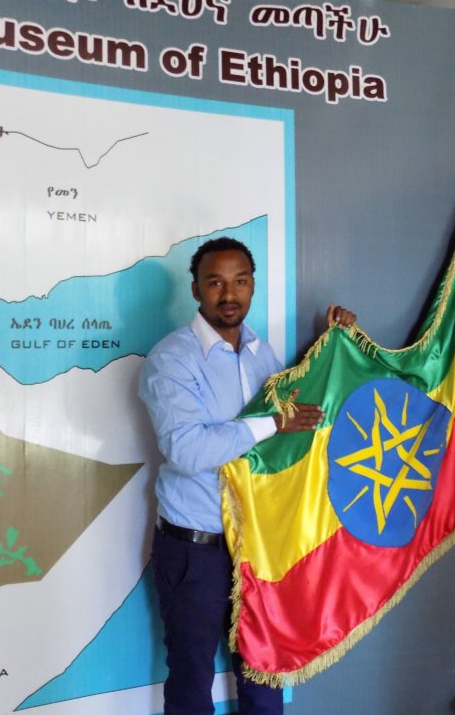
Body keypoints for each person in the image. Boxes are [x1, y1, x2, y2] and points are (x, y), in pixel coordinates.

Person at [139, 236, 355, 715]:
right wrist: (273, 423)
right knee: (192, 680)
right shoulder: (172, 359)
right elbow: (187, 448)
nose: (228, 294)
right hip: (197, 550)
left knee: (264, 673)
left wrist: (332, 345)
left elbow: (294, 416)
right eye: (215, 282)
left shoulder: (262, 354)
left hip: (258, 548)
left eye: (239, 282)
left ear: (253, 287)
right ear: (196, 290)